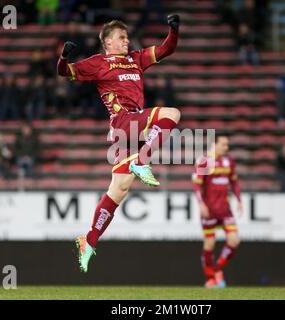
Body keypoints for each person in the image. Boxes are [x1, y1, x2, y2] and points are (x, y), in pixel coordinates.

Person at [57, 16, 181, 272]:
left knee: (119, 190)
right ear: (107, 42)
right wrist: (63, 57)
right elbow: (65, 72)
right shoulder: (98, 63)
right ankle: (142, 161)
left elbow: (167, 48)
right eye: (121, 37)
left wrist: (173, 29)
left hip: (131, 130)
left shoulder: (136, 59)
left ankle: (88, 240)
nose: (126, 41)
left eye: (127, 37)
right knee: (172, 114)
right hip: (124, 122)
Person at [192, 134, 243, 289]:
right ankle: (210, 279)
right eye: (223, 144)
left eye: (227, 145)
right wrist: (201, 204)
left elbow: (234, 182)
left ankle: (216, 269)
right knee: (209, 244)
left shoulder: (229, 161)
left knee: (234, 241)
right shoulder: (205, 161)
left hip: (225, 209)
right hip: (210, 209)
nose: (226, 148)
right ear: (214, 144)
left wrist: (239, 200)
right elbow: (197, 186)